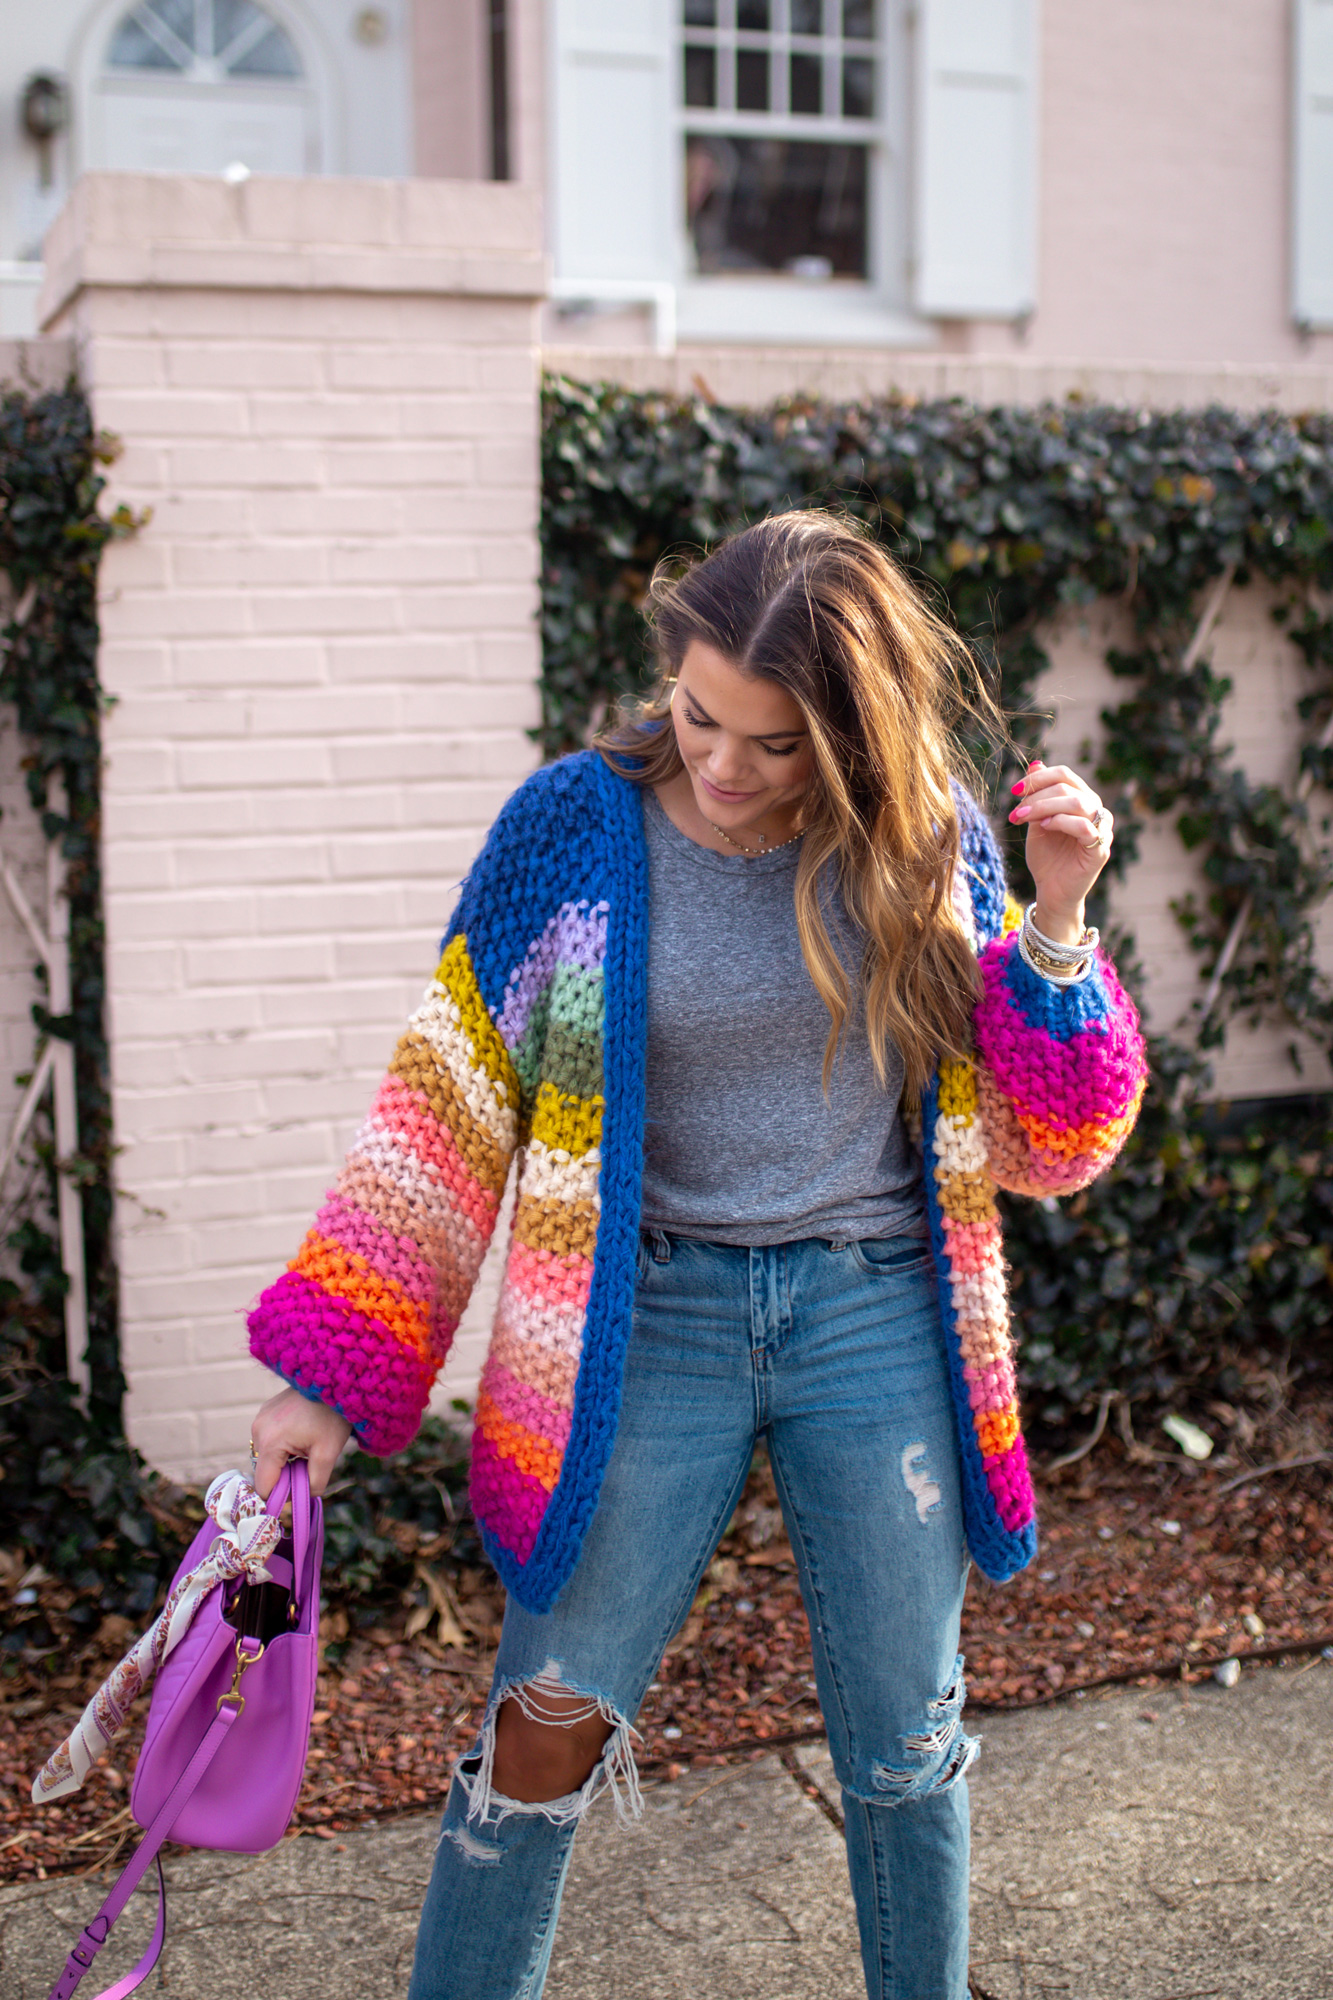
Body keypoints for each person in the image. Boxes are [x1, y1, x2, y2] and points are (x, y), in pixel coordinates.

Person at [247, 513, 1148, 2000]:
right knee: (539, 1730)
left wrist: (1053, 923)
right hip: (640, 1325)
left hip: (873, 1324)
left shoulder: (930, 846)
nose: (724, 767)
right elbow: (448, 1109)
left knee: (908, 1746)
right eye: (697, 716)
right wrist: (326, 1381)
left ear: (851, 738)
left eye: (776, 743)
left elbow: (1049, 1152)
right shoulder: (573, 830)